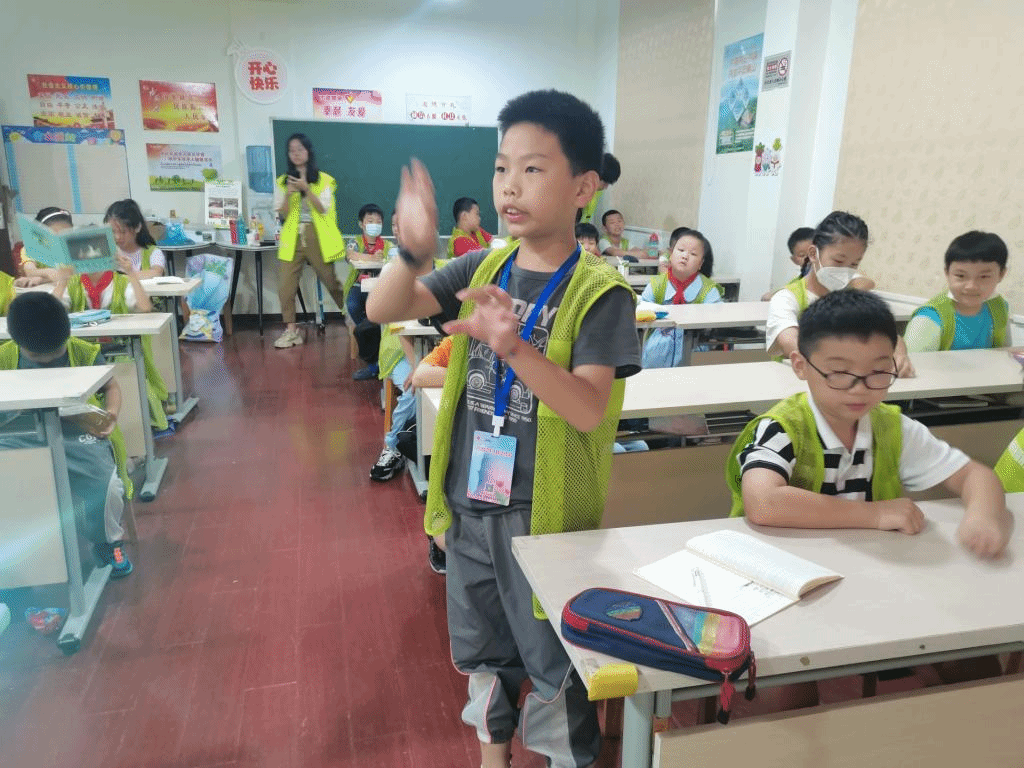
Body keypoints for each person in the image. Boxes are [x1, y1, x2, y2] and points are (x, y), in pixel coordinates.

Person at [367, 89, 642, 768]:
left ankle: (563, 758)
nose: (509, 186)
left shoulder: (601, 292)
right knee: (483, 653)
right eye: (500, 168)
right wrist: (410, 251)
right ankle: (494, 760)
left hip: (544, 514)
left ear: (583, 187)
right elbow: (382, 309)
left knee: (552, 659)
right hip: (471, 502)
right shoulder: (484, 266)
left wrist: (515, 346)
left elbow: (587, 409)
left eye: (533, 169)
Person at [728, 290, 1011, 697]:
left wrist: (983, 515)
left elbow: (975, 475)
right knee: (791, 689)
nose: (860, 389)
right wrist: (876, 515)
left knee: (975, 658)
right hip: (787, 580)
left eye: (879, 372)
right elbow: (764, 502)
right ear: (801, 366)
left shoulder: (890, 427)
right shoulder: (781, 427)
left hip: (872, 571)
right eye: (840, 373)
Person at [0, 292, 134, 577]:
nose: (48, 359)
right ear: (17, 340)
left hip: (77, 433)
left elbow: (111, 387)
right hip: (19, 435)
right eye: (37, 356)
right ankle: (19, 559)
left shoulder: (84, 351)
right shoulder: (4, 356)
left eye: (56, 352)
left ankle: (108, 541)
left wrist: (111, 415)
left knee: (107, 487)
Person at [765, 210, 914, 377]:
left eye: (854, 264)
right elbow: (789, 341)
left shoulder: (852, 297)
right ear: (813, 254)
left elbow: (889, 336)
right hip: (796, 380)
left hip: (846, 380)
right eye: (838, 261)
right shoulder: (787, 298)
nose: (845, 270)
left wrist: (900, 355)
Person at [273, 133, 347, 349]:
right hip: (292, 237)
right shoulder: (283, 181)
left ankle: (353, 317)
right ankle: (291, 331)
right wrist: (289, 193)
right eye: (291, 150)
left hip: (317, 236)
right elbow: (283, 213)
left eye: (300, 149)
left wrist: (306, 189)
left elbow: (323, 208)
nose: (295, 153)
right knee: (285, 286)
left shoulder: (323, 180)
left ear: (308, 152)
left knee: (331, 281)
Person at [904, 231, 1009, 352]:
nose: (971, 286)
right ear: (947, 273)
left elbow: (1004, 354)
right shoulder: (928, 319)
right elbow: (912, 362)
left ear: (1001, 274)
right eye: (960, 276)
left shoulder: (1000, 307)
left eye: (984, 277)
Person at [639, 227, 722, 368]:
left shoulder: (708, 290)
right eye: (681, 250)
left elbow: (717, 320)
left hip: (694, 354)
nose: (685, 256)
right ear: (671, 254)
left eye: (693, 254)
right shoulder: (656, 285)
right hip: (656, 355)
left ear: (701, 263)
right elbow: (641, 313)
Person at [346, 203, 387, 379]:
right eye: (370, 221)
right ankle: (371, 333)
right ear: (361, 224)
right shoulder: (355, 241)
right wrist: (371, 257)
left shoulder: (387, 245)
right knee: (353, 305)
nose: (374, 225)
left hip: (380, 288)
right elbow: (350, 255)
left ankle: (374, 364)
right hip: (359, 286)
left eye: (378, 222)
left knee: (379, 312)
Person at [104, 199, 166, 278]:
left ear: (137, 227)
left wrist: (125, 276)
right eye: (113, 231)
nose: (117, 237)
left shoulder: (153, 252)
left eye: (123, 232)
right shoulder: (108, 253)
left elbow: (156, 272)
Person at [761, 226, 816, 301]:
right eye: (802, 255)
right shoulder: (796, 281)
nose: (809, 258)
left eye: (813, 253)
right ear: (794, 260)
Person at [578, 152, 619, 225]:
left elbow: (586, 217)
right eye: (605, 183)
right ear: (595, 176)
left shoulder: (596, 192)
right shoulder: (573, 190)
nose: (606, 187)